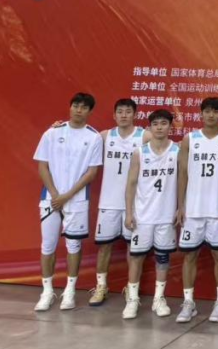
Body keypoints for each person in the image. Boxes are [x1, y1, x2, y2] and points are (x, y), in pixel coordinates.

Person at [33, 92, 103, 312]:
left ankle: (70, 291)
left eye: (84, 107)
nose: (79, 110)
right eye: (75, 105)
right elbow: (42, 166)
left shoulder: (94, 137)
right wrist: (55, 194)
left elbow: (91, 173)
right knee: (48, 245)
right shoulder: (52, 133)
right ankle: (47, 292)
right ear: (70, 107)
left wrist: (67, 195)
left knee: (74, 246)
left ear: (90, 111)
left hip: (77, 200)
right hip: (50, 199)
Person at [175, 97, 218, 323]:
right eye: (207, 111)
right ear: (201, 113)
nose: (211, 115)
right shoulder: (189, 139)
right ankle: (188, 302)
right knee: (189, 255)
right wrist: (181, 206)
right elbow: (182, 174)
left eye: (215, 111)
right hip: (193, 209)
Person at [123, 108, 179, 319]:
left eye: (163, 123)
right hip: (143, 216)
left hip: (166, 215)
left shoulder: (177, 151)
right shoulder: (140, 152)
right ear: (150, 127)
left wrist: (180, 208)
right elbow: (131, 184)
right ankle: (132, 299)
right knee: (136, 257)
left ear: (170, 127)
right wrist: (129, 213)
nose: (159, 128)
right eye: (155, 124)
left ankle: (159, 298)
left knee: (162, 258)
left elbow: (184, 182)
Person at [90, 98, 144, 307]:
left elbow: (167, 145)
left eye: (128, 111)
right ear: (114, 115)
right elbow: (80, 136)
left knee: (133, 248)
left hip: (134, 204)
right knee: (105, 247)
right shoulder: (104, 136)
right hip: (108, 202)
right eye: (120, 111)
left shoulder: (144, 136)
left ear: (135, 115)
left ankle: (132, 289)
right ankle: (101, 287)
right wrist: (59, 127)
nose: (124, 115)